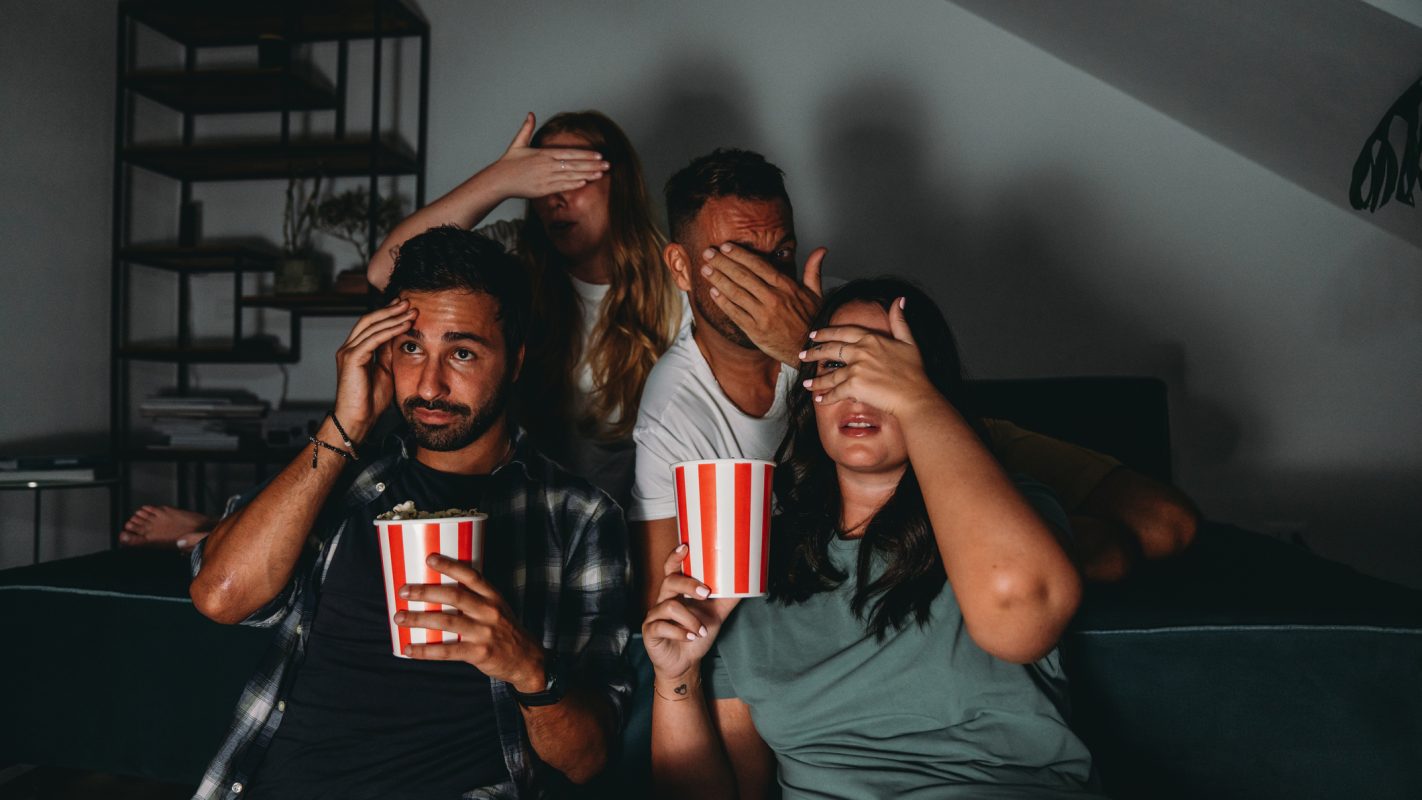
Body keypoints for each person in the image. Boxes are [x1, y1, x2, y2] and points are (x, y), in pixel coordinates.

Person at [190, 227, 631, 799]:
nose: (429, 384)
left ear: (515, 360)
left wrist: (526, 667)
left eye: (463, 352)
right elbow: (221, 596)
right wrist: (345, 424)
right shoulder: (336, 478)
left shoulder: (577, 516)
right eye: (412, 347)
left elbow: (588, 759)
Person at [642, 278, 1103, 799]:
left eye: (884, 363)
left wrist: (915, 400)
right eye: (835, 362)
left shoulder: (1012, 508)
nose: (858, 387)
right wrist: (677, 680)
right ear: (809, 393)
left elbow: (1020, 619)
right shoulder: (751, 558)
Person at [368, 111, 684, 508]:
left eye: (570, 173)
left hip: (633, 519)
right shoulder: (512, 260)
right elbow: (385, 271)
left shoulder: (674, 281)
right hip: (525, 514)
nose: (556, 196)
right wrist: (500, 180)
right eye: (542, 178)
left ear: (620, 181)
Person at [628, 148, 825, 614]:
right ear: (681, 268)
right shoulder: (673, 410)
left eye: (781, 254)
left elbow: (924, 431)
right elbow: (659, 604)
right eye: (737, 261)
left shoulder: (834, 314)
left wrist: (811, 347)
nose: (768, 282)